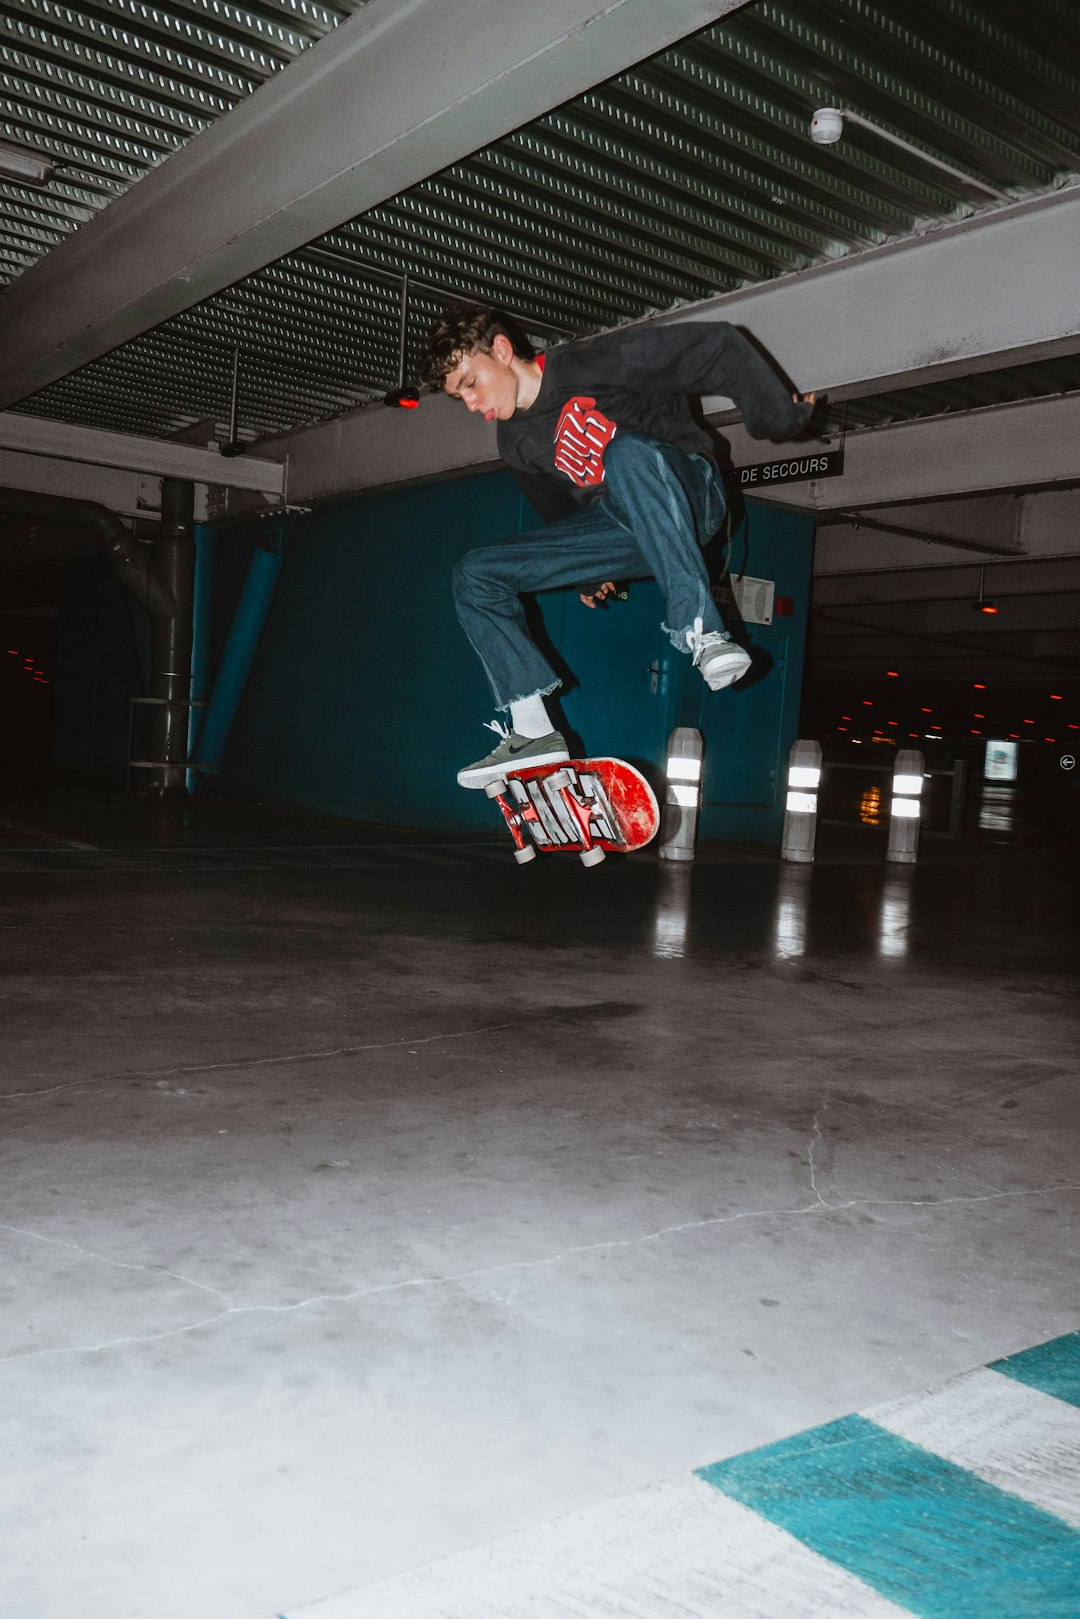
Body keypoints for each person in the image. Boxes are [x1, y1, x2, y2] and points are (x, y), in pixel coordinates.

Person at [418, 305, 815, 788]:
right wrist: (589, 570)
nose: (472, 405)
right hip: (621, 526)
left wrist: (780, 418)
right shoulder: (515, 441)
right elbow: (558, 508)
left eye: (470, 384)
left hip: (689, 496)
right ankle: (532, 730)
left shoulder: (595, 364)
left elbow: (717, 345)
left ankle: (703, 631)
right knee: (475, 572)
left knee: (626, 451)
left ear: (501, 350)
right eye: (460, 397)